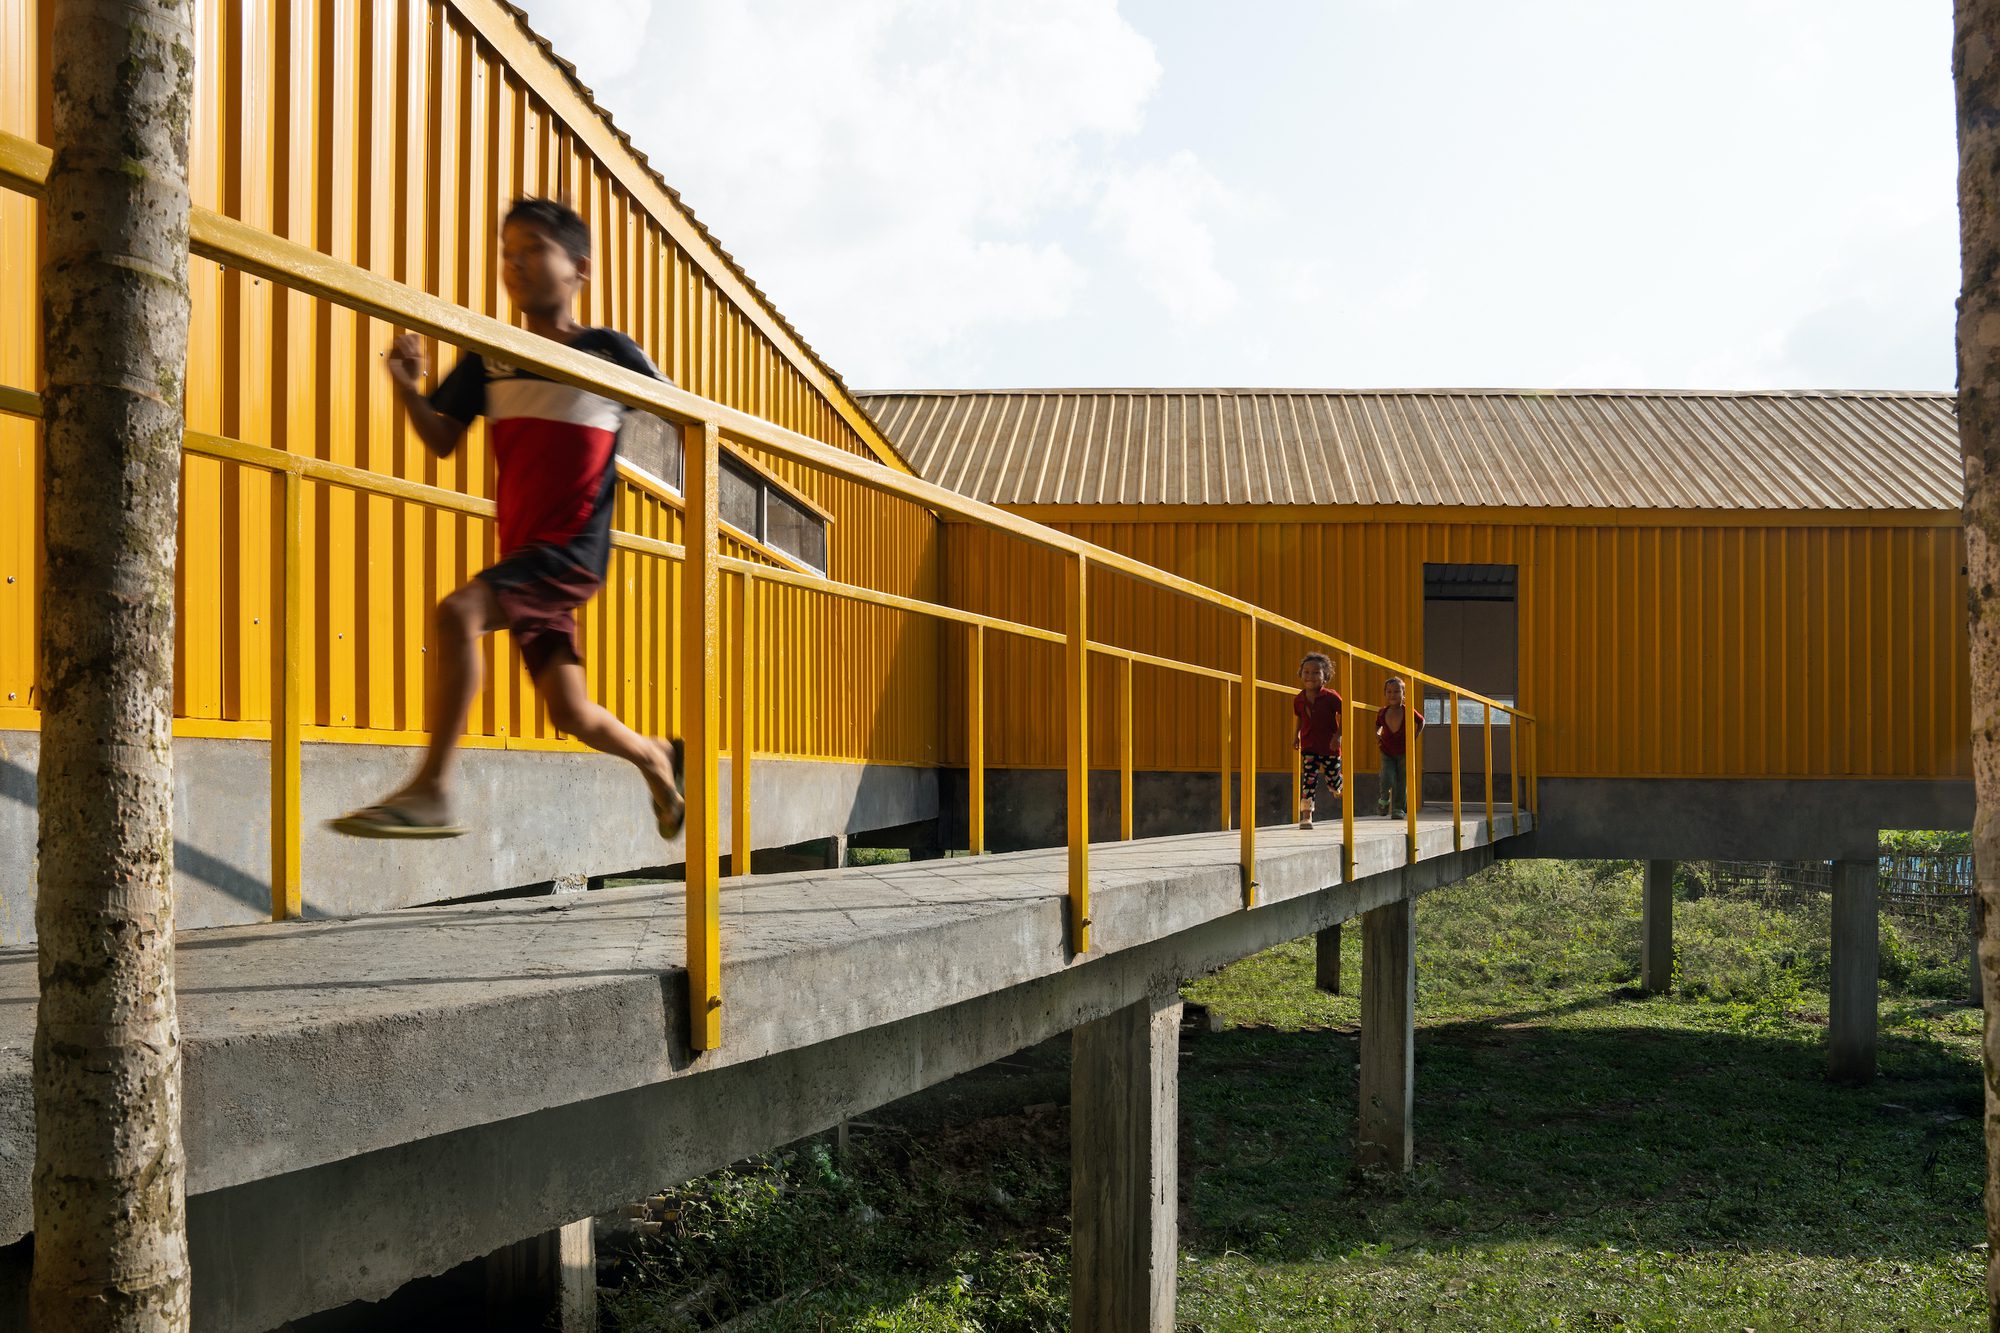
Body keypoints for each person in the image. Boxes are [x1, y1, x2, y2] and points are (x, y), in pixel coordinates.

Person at [330, 198, 685, 841]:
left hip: (571, 548)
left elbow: (690, 421)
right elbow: (442, 437)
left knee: (457, 612)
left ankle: (433, 790)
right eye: (506, 252)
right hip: (525, 552)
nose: (515, 263)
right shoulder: (491, 355)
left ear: (579, 268)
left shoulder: (608, 351)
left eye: (533, 248)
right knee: (570, 712)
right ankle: (656, 756)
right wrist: (410, 388)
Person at [1291, 652, 1343, 829]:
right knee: (1309, 780)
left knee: (1333, 780)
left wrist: (1338, 736)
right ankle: (1306, 816)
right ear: (1301, 674)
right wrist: (1295, 736)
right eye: (1306, 672)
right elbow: (1299, 718)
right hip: (1309, 745)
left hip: (1329, 746)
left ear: (1325, 677)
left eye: (1316, 673)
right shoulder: (1299, 699)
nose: (1310, 676)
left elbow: (1346, 714)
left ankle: (1337, 785)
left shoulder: (1331, 697)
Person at [1374, 676, 1423, 819]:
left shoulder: (1408, 711)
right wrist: (1377, 733)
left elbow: (1421, 721)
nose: (1392, 695)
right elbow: (1378, 724)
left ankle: (1398, 809)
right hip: (1387, 751)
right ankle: (1384, 799)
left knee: (1402, 780)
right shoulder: (1382, 712)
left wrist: (1416, 734)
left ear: (1403, 694)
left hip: (1404, 751)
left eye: (1396, 692)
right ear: (1385, 694)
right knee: (1386, 777)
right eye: (1389, 692)